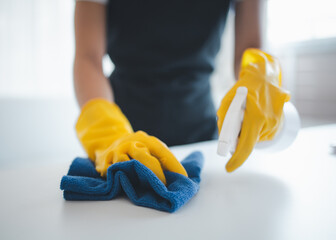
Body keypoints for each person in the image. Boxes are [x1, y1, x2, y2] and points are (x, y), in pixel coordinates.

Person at [73, 0, 290, 183]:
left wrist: (259, 73)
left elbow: (249, 46)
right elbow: (88, 57)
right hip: (123, 135)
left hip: (202, 137)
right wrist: (106, 127)